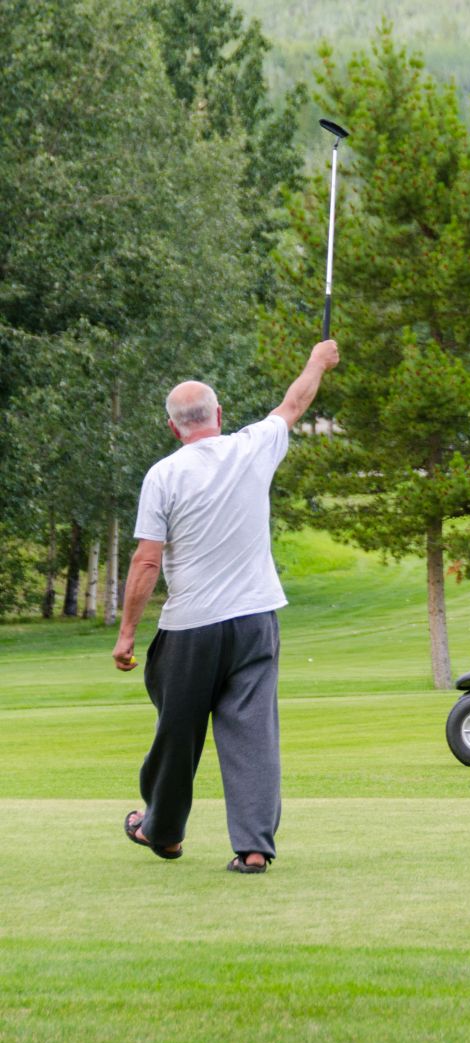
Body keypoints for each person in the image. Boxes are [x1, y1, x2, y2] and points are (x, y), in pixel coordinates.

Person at [114, 339, 341, 872]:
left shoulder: (164, 475)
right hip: (256, 620)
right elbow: (293, 404)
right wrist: (317, 361)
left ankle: (163, 832)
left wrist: (126, 634)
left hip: (191, 628)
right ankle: (255, 848)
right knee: (253, 731)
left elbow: (147, 562)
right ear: (218, 415)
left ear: (174, 428)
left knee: (179, 730)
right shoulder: (251, 446)